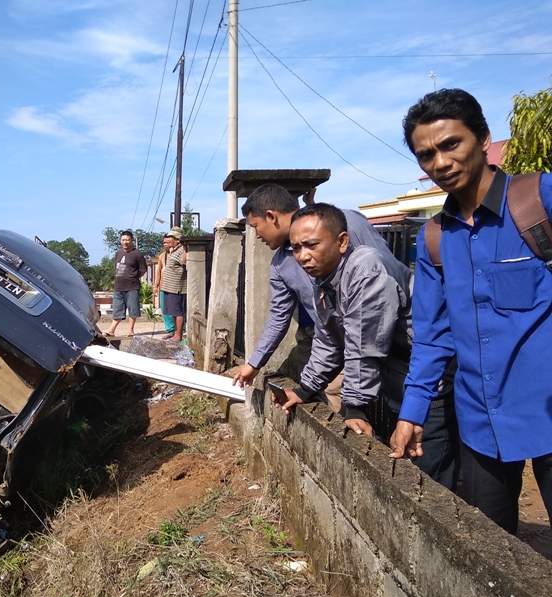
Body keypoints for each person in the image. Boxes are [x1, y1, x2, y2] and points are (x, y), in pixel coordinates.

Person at [390, 88, 552, 533]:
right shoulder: (434, 238)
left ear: (483, 139)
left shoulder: (538, 199)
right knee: (490, 546)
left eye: (450, 144)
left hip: (548, 409)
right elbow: (433, 334)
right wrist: (412, 412)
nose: (440, 162)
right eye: (426, 155)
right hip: (481, 422)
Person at [278, 203, 459, 490]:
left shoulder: (366, 269)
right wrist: (305, 388)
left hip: (427, 382)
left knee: (428, 478)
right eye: (296, 248)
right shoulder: (323, 279)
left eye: (311, 245)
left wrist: (355, 405)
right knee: (400, 466)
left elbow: (364, 345)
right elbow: (328, 341)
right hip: (396, 380)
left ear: (342, 242)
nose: (302, 256)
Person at [232, 183, 396, 414]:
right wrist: (255, 363)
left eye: (256, 227)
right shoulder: (280, 265)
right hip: (328, 342)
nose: (256, 235)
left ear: (271, 216)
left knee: (351, 401)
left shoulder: (348, 223)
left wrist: (355, 404)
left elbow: (382, 279)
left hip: (380, 339)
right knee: (319, 398)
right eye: (298, 248)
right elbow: (281, 317)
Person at [105, 230, 147, 338]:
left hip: (132, 286)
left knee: (132, 309)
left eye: (127, 240)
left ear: (132, 240)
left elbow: (143, 269)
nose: (125, 242)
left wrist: (134, 276)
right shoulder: (118, 253)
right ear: (120, 241)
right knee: (117, 309)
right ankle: (111, 330)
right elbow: (116, 267)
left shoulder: (137, 254)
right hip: (119, 286)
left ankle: (131, 330)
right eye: (123, 240)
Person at [160, 227, 187, 342]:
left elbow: (185, 263)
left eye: (171, 238)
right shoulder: (173, 250)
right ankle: (175, 334)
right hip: (168, 287)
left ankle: (178, 335)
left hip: (176, 287)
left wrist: (185, 248)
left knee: (177, 312)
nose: (169, 240)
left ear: (178, 240)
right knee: (173, 313)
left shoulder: (182, 250)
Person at [153, 235, 176, 336]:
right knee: (165, 309)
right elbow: (158, 272)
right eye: (164, 243)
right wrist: (155, 286)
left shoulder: (177, 254)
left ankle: (180, 330)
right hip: (163, 287)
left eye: (168, 242)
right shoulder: (162, 256)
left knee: (176, 309)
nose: (166, 244)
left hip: (175, 287)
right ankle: (170, 330)